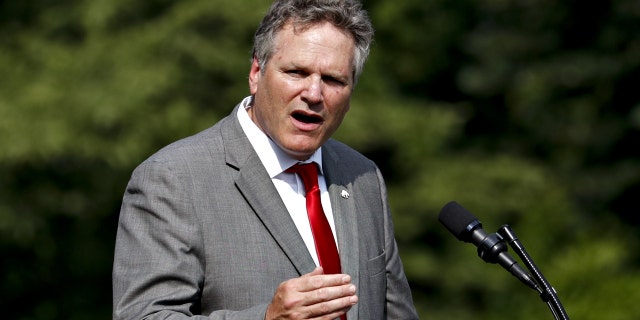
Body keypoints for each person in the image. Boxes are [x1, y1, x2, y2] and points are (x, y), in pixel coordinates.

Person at [112, 0, 419, 319]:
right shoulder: (173, 178)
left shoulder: (362, 176)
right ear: (256, 73)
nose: (314, 94)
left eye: (332, 80)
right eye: (296, 72)